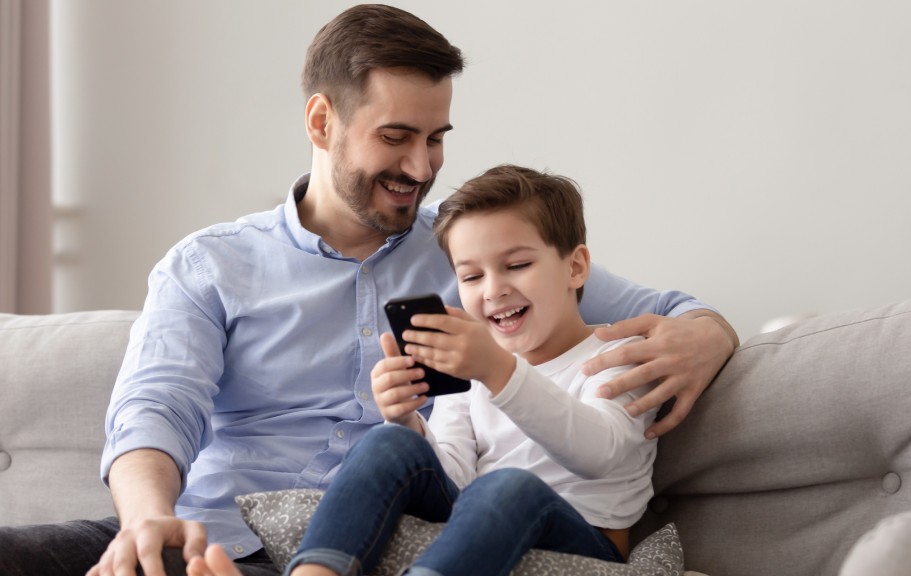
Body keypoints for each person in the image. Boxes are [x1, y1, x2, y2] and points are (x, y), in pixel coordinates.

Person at [0, 5, 737, 576]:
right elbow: (154, 410)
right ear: (323, 121)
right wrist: (145, 521)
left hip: (383, 548)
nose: (421, 166)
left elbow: (669, 312)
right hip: (211, 533)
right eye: (396, 137)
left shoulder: (475, 260)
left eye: (436, 137)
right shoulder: (210, 265)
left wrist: (709, 335)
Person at [189, 164, 659, 576]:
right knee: (388, 439)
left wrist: (498, 371)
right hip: (475, 535)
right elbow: (452, 476)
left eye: (515, 265)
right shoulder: (475, 367)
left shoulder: (618, 353)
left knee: (509, 486)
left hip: (585, 546)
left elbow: (601, 454)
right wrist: (407, 421)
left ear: (575, 267)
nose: (493, 290)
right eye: (472, 276)